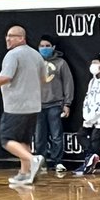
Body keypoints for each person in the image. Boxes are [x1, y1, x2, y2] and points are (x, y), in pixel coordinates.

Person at [0, 26, 46, 186]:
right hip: (33, 106)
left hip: (16, 106)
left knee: (6, 139)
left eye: (12, 36)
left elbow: (6, 77)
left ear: (21, 38)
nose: (7, 39)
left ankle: (33, 159)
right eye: (7, 36)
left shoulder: (13, 55)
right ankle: (24, 173)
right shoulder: (36, 55)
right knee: (23, 140)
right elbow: (44, 79)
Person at [34, 34, 74, 173]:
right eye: (42, 46)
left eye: (47, 46)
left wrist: (67, 103)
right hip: (37, 105)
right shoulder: (34, 62)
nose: (44, 48)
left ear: (53, 47)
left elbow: (68, 83)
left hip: (55, 104)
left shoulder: (61, 63)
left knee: (56, 135)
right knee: (39, 136)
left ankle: (58, 161)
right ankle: (41, 162)